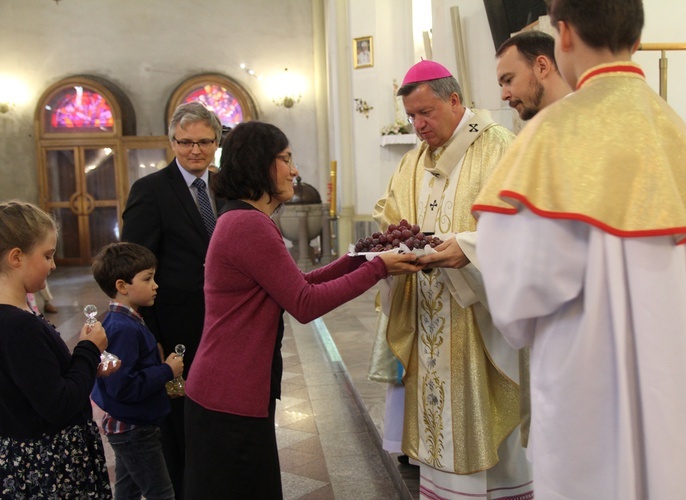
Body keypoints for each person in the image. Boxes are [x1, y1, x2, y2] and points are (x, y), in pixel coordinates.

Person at [473, 0, 686, 498]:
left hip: (589, 384)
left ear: (565, 35)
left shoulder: (550, 136)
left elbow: (516, 288)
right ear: (637, 39)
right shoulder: (677, 134)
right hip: (677, 376)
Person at [183, 121, 423, 499]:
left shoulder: (242, 219)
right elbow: (305, 304)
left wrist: (357, 259)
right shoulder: (248, 225)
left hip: (226, 389)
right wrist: (379, 268)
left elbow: (298, 284)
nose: (294, 170)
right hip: (229, 394)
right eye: (285, 159)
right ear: (258, 164)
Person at [371, 60, 533, 498]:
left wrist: (472, 248)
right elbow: (388, 221)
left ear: (455, 100)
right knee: (439, 429)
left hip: (481, 319)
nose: (418, 125)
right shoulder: (411, 162)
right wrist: (390, 254)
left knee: (490, 430)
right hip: (428, 315)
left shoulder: (500, 147)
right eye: (411, 117)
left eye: (426, 112)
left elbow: (528, 226)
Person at [121, 101, 224, 498]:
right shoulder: (151, 191)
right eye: (185, 142)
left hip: (221, 321)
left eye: (203, 142)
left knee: (214, 411)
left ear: (216, 142)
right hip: (175, 326)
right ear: (172, 142)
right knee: (178, 417)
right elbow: (134, 266)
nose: (194, 150)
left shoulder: (226, 186)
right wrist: (150, 337)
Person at [0, 200, 113, 498]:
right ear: (16, 257)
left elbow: (34, 382)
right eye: (47, 255)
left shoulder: (17, 318)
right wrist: (88, 351)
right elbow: (58, 404)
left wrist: (82, 366)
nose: (52, 265)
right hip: (46, 464)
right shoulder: (18, 326)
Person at [91, 242, 185, 500]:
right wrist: (167, 370)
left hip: (130, 424)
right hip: (134, 428)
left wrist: (162, 387)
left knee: (128, 490)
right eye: (147, 278)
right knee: (161, 493)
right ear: (122, 286)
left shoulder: (123, 320)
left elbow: (135, 374)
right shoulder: (123, 328)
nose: (155, 285)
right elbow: (124, 386)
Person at [495, 30, 571, 120]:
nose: (504, 96)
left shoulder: (585, 121)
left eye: (508, 80)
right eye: (502, 85)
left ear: (542, 67)